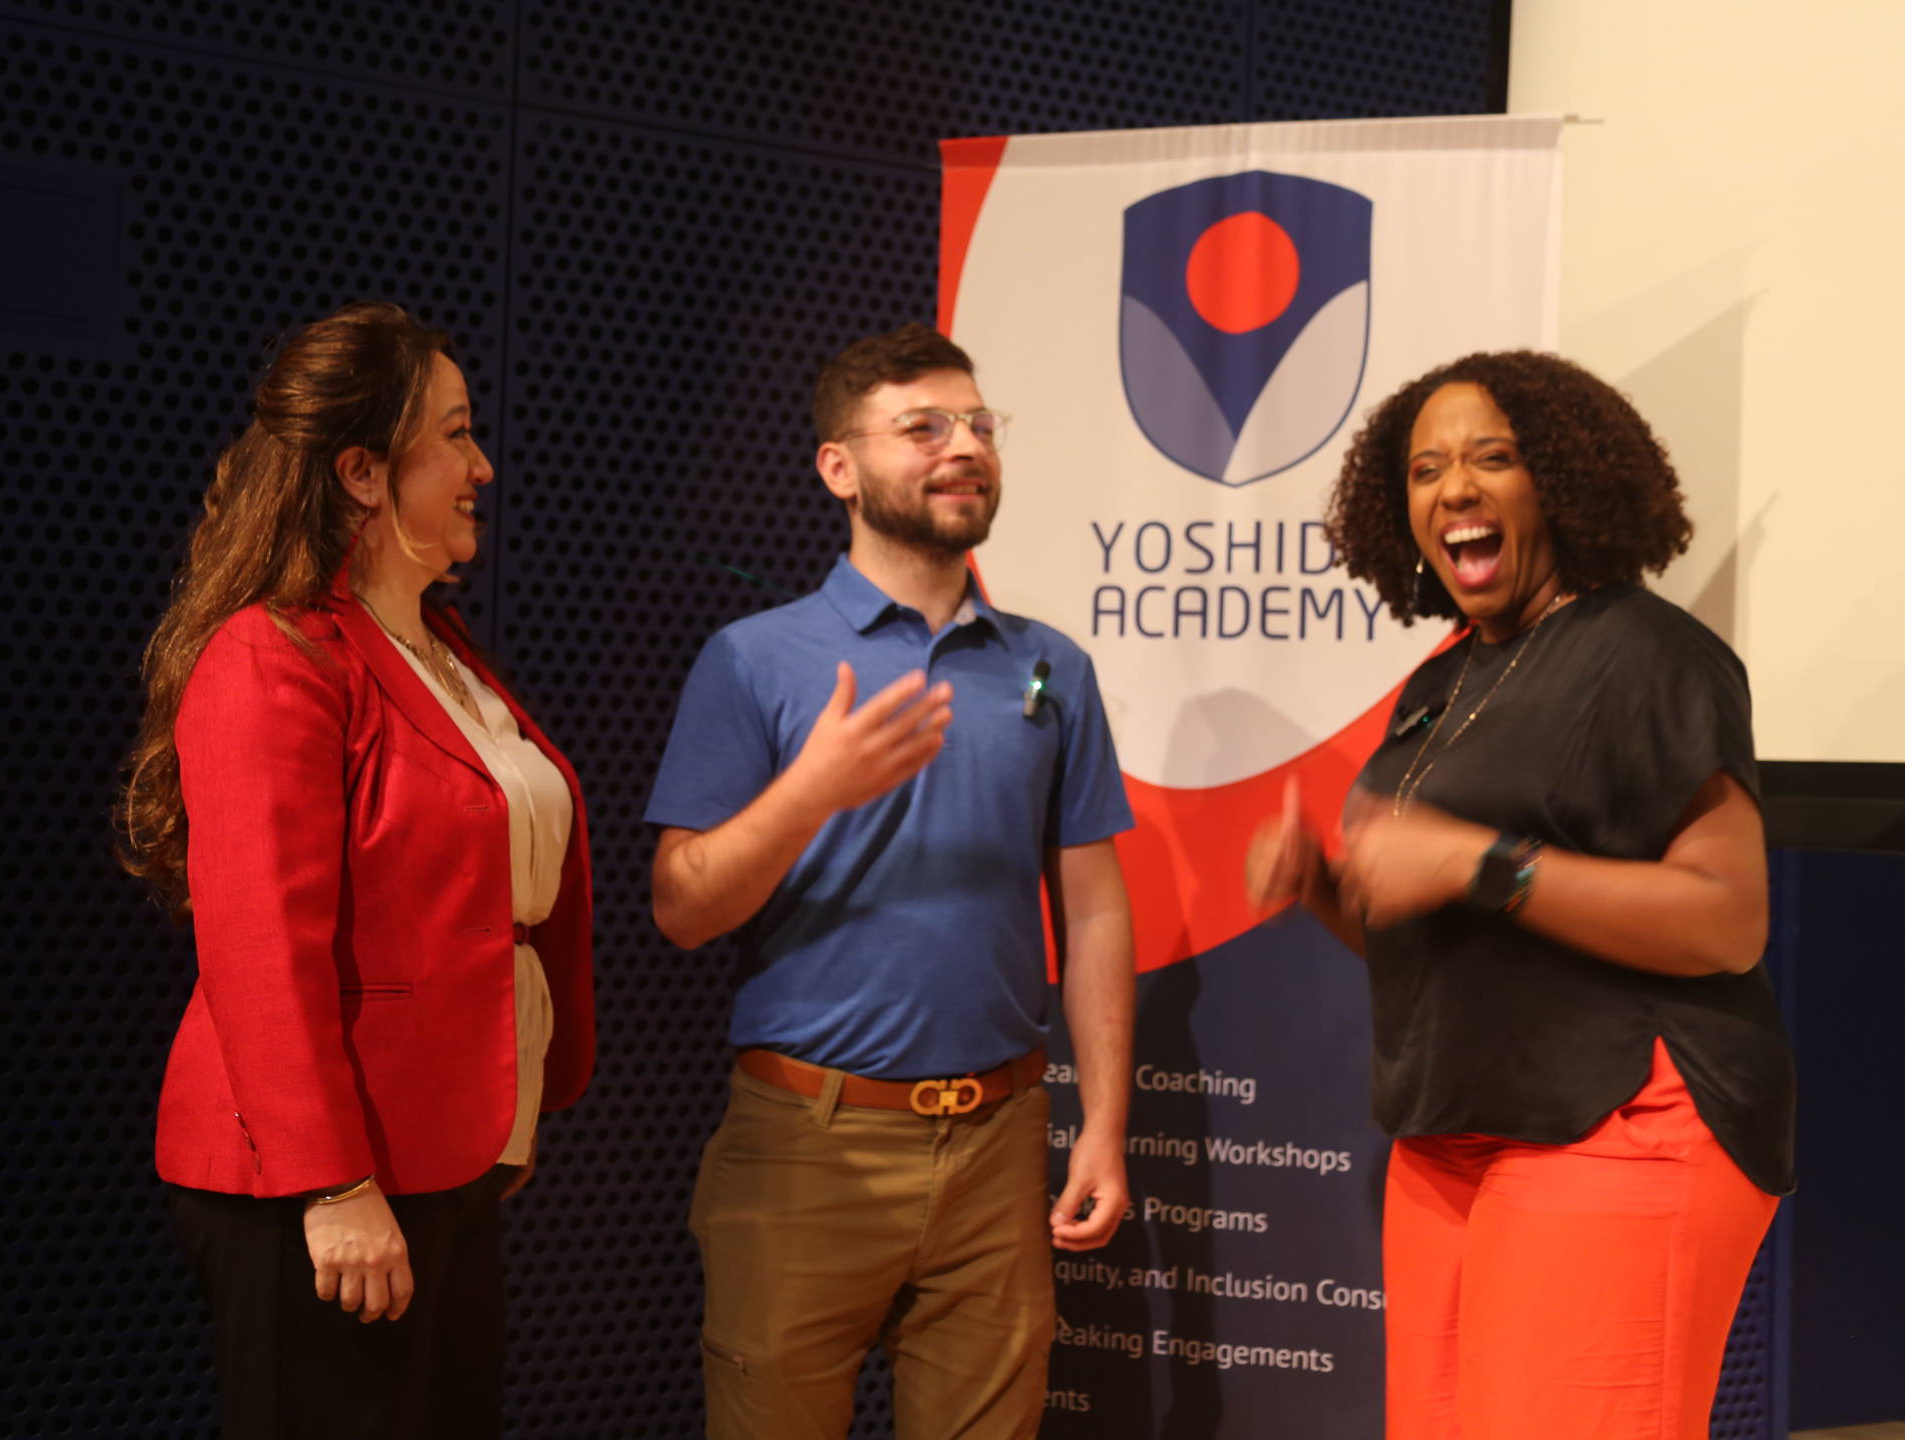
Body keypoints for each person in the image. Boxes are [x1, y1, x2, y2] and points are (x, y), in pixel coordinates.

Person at [1245, 351, 1795, 1440]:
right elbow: (1445, 935)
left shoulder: (1648, 653)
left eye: (1491, 458)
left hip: (1617, 1121)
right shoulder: (1442, 681)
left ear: (1563, 482)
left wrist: (1479, 862)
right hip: (1452, 1139)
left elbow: (1727, 920)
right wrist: (1328, 889)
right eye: (1425, 470)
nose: (1453, 487)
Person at [646, 323, 1137, 1440]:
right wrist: (809, 792)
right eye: (923, 427)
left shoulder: (1051, 667)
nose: (963, 447)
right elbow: (681, 906)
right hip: (808, 1143)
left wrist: (1103, 1125)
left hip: (1000, 1145)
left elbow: (1095, 908)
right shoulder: (754, 657)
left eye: (978, 424)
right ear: (840, 467)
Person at [116, 302, 594, 1440]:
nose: (483, 466)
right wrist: (332, 1184)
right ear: (364, 472)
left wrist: (511, 1102)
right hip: (322, 1175)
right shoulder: (271, 654)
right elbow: (259, 950)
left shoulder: (443, 656)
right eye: (456, 435)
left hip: (446, 1148)